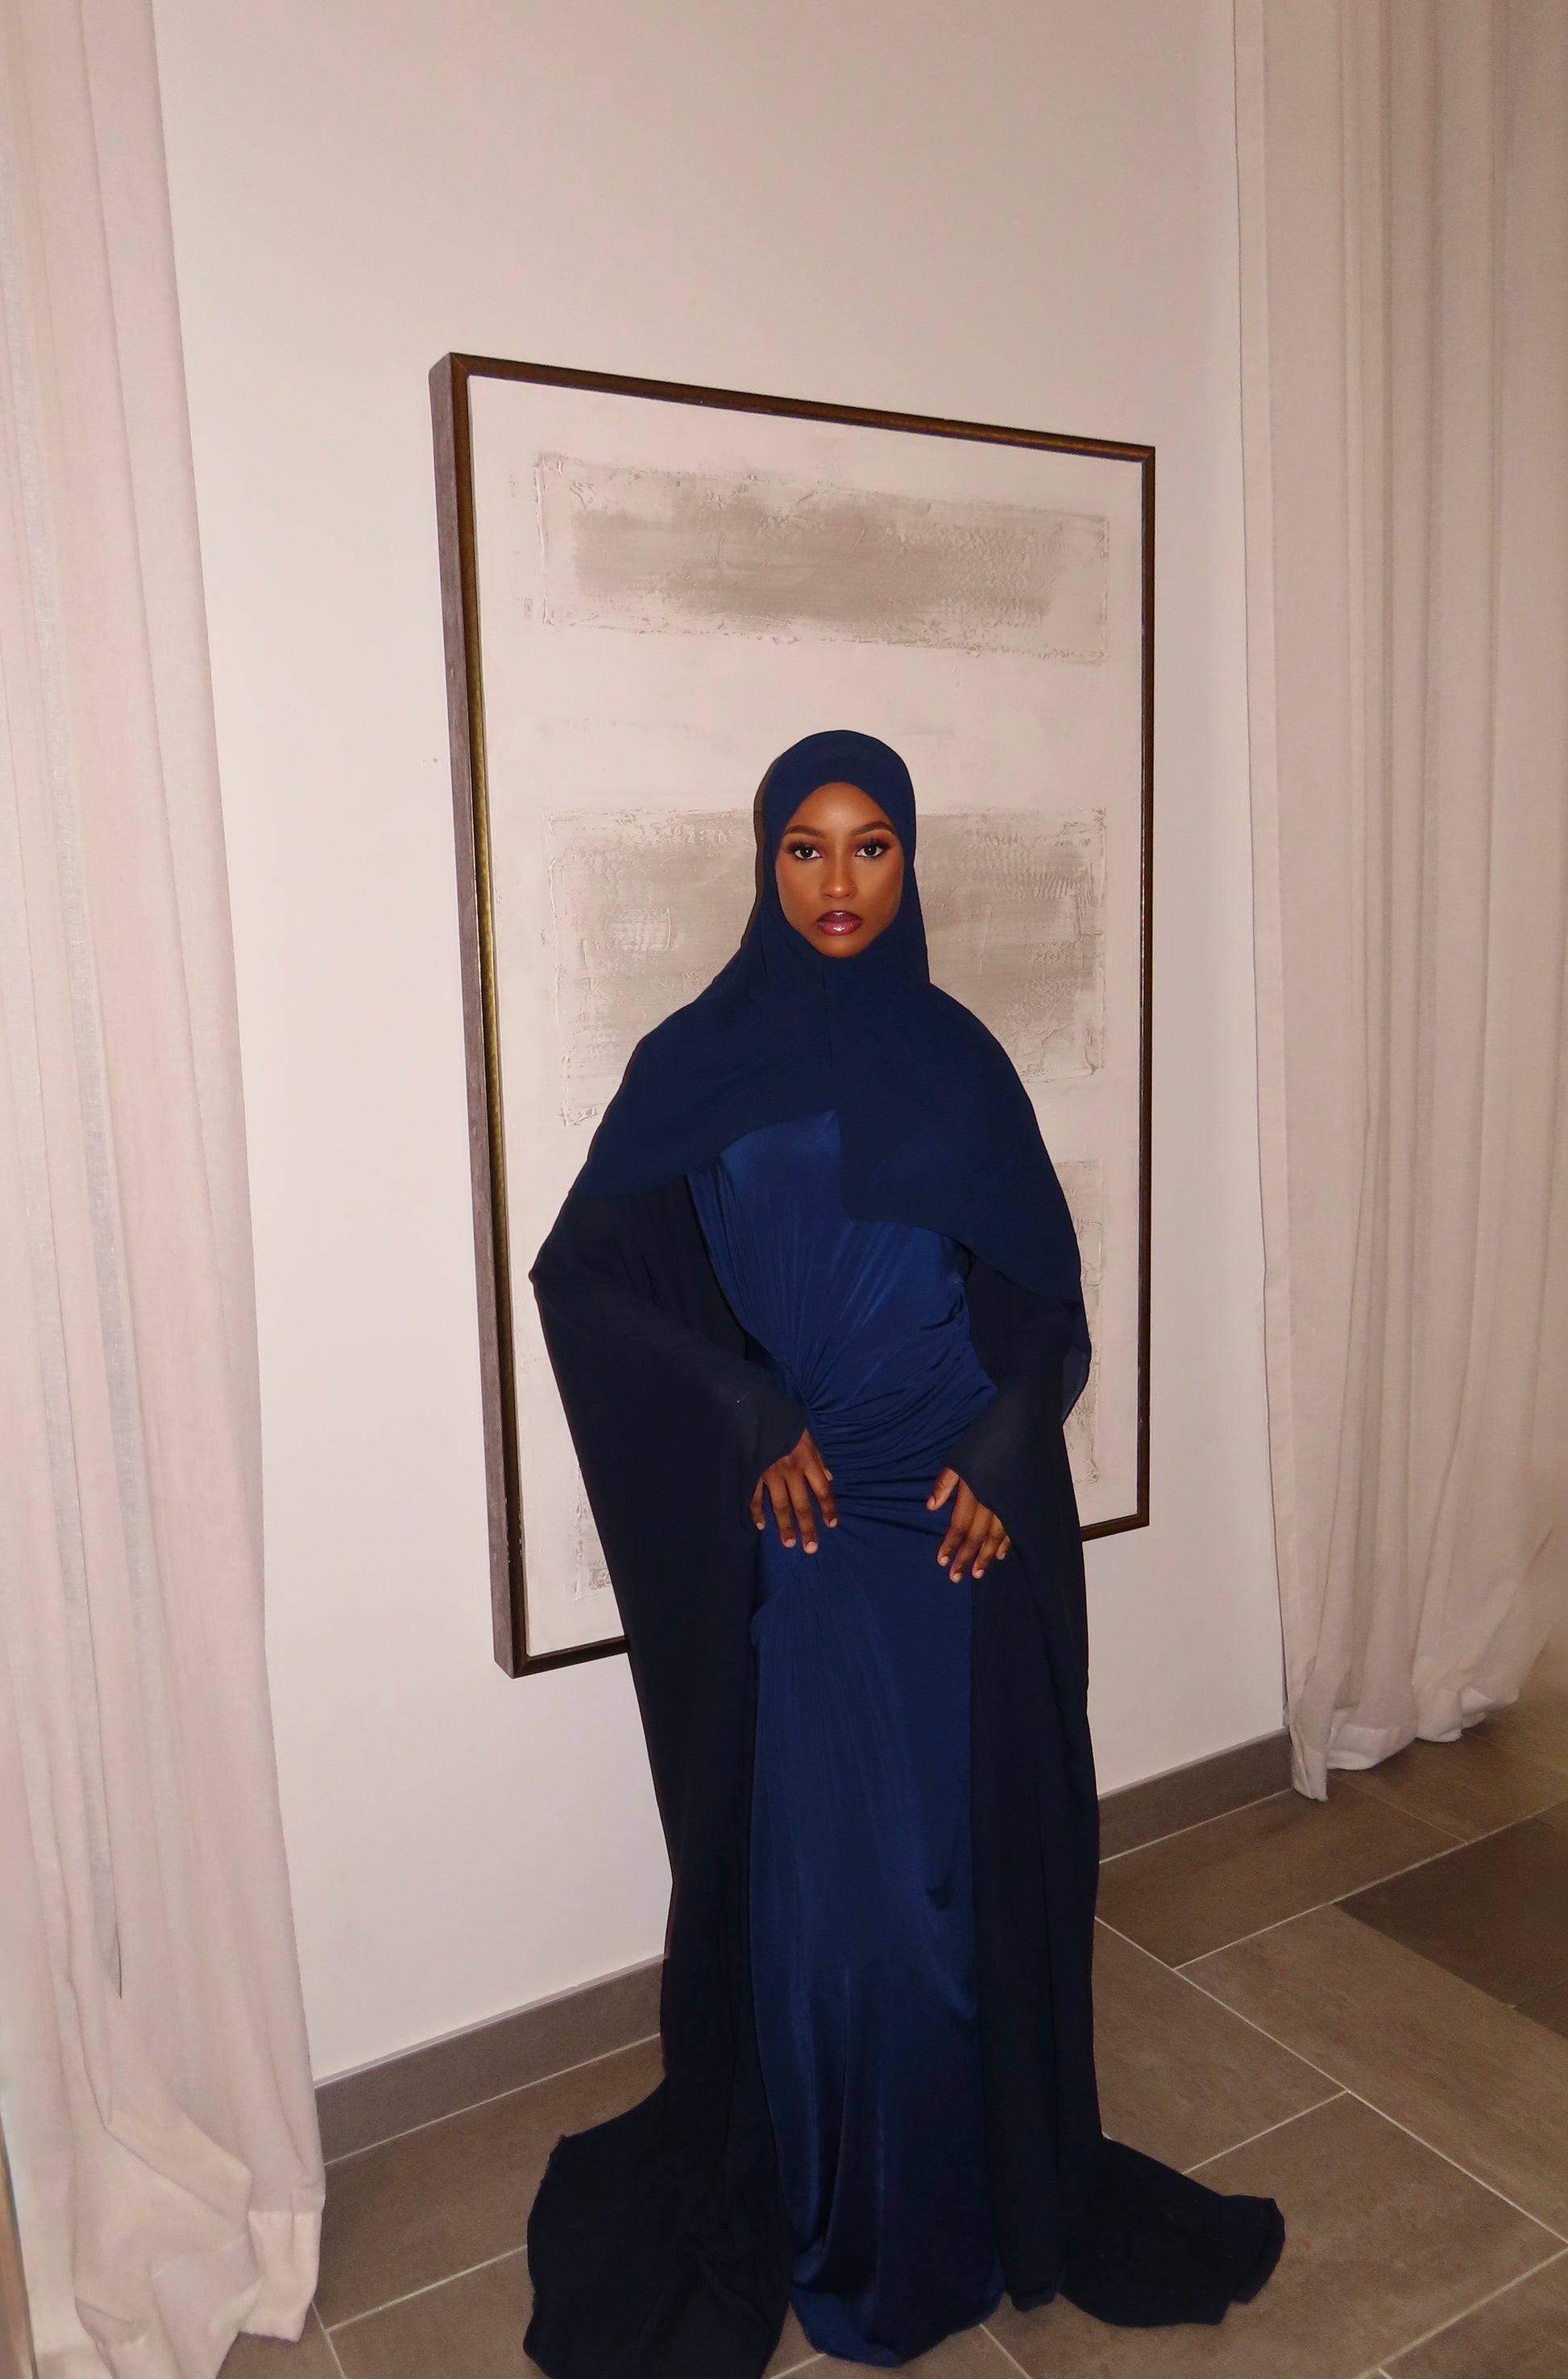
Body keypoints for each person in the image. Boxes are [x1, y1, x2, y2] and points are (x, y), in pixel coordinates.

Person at [525, 732, 1283, 2379]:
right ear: (765, 861)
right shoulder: (689, 1062)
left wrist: (1008, 1444)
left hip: (961, 1502)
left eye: (870, 845)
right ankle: (853, 2219)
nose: (839, 880)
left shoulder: (958, 1057)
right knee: (844, 1906)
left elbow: (1040, 1306)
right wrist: (743, 1410)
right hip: (812, 1511)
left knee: (972, 1877)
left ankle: (987, 2190)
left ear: (909, 859)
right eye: (805, 846)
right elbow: (582, 1280)